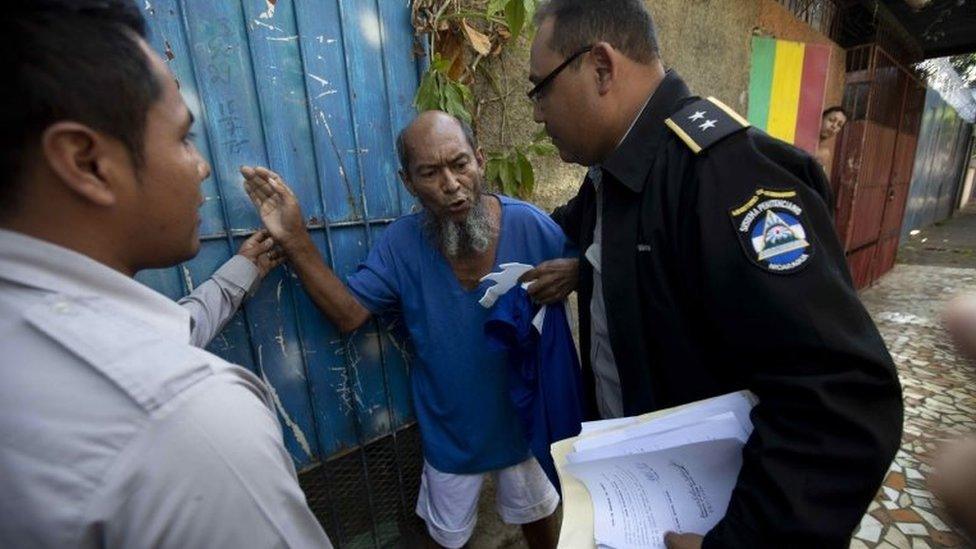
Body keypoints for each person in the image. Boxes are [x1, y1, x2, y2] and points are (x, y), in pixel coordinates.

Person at [521, 1, 903, 547]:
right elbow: (627, 261)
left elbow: (842, 398)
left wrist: (748, 539)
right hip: (642, 499)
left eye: (541, 88)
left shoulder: (726, 177)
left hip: (710, 518)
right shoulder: (612, 175)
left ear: (601, 67)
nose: (537, 112)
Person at [0, 2, 332, 547]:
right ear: (86, 162)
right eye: (182, 137)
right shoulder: (186, 423)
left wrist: (242, 269)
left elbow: (151, 334)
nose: (201, 165)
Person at [240, 110, 571, 549]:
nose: (451, 184)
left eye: (459, 164)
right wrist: (296, 238)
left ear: (480, 160)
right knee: (446, 539)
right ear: (408, 183)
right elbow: (348, 313)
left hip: (527, 425)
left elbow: (594, 274)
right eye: (430, 173)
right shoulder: (401, 245)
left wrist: (580, 270)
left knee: (541, 520)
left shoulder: (532, 226)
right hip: (452, 436)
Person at [815, 106, 848, 176]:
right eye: (831, 120)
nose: (834, 126)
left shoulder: (824, 152)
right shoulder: (802, 135)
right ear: (821, 118)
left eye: (839, 125)